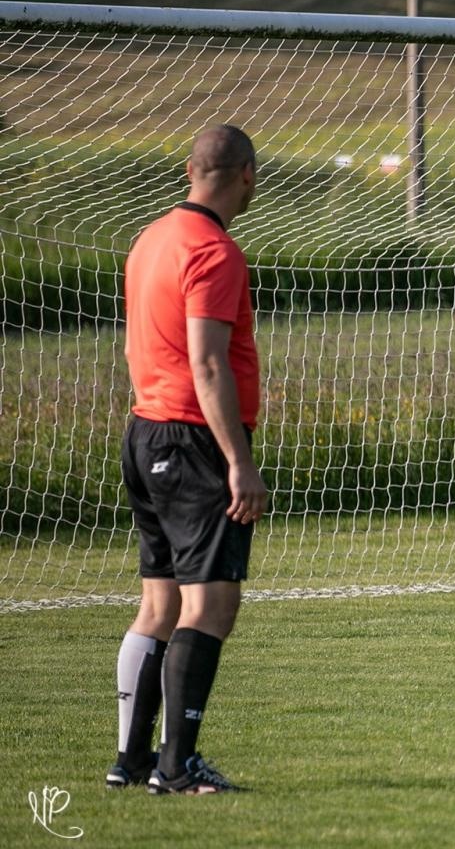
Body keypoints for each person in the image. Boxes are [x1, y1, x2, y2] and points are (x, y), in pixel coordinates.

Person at [108, 125, 267, 795]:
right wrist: (238, 461)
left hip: (146, 432)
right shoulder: (215, 251)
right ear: (248, 176)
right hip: (193, 440)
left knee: (160, 604)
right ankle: (176, 767)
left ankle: (132, 761)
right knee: (211, 606)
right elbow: (206, 363)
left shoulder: (151, 238)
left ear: (189, 169)